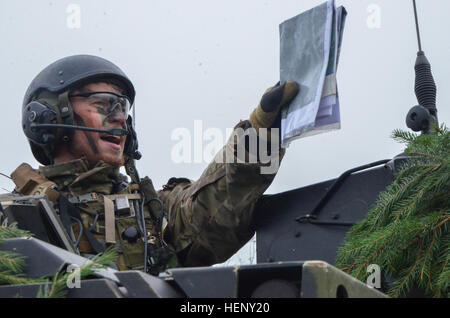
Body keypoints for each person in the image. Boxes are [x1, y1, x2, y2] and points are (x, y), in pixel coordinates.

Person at [13, 55, 298, 274]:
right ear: (52, 116)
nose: (119, 118)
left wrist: (261, 134)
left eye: (122, 108)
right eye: (104, 105)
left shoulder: (151, 211)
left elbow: (212, 208)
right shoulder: (12, 217)